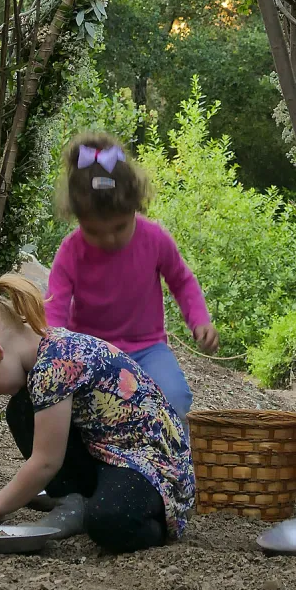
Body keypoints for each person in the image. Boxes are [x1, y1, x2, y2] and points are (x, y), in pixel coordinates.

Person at [0, 274, 194, 552]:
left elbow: (45, 461)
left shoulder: (53, 366)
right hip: (107, 453)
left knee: (111, 522)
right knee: (21, 409)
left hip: (150, 467)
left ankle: (147, 521)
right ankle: (72, 499)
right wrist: (4, 495)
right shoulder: (43, 353)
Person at [45, 133, 218, 423]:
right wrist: (54, 348)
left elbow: (182, 280)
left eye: (119, 227)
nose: (109, 238)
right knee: (85, 410)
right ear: (78, 219)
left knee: (173, 398)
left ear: (135, 207)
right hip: (91, 350)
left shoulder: (155, 239)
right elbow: (55, 305)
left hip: (148, 349)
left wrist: (199, 320)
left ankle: (172, 463)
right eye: (95, 231)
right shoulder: (70, 251)